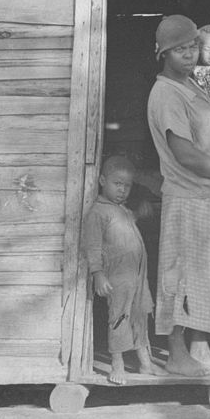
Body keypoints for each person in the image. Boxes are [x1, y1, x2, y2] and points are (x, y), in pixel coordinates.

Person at [146, 15, 210, 376]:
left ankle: (200, 349)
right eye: (180, 49)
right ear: (163, 53)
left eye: (192, 47)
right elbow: (185, 154)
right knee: (181, 276)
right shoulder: (166, 93)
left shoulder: (191, 85)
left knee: (208, 277)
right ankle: (176, 354)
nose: (189, 55)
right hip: (190, 197)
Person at [82, 155, 166, 385]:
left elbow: (128, 220)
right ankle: (117, 363)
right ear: (102, 180)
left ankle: (145, 362)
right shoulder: (97, 212)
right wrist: (97, 273)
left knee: (140, 315)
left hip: (138, 276)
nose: (122, 190)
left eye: (127, 186)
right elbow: (93, 245)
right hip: (117, 277)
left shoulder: (122, 210)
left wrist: (141, 213)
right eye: (117, 184)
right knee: (119, 317)